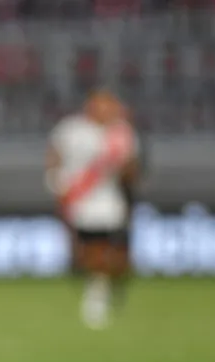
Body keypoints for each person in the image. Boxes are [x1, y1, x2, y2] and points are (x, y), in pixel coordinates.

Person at [46, 90, 140, 330]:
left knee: (118, 259)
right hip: (82, 201)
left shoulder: (120, 133)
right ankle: (96, 293)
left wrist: (124, 165)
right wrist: (56, 182)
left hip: (111, 201)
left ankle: (107, 286)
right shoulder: (71, 130)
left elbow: (131, 172)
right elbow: (54, 156)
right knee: (92, 252)